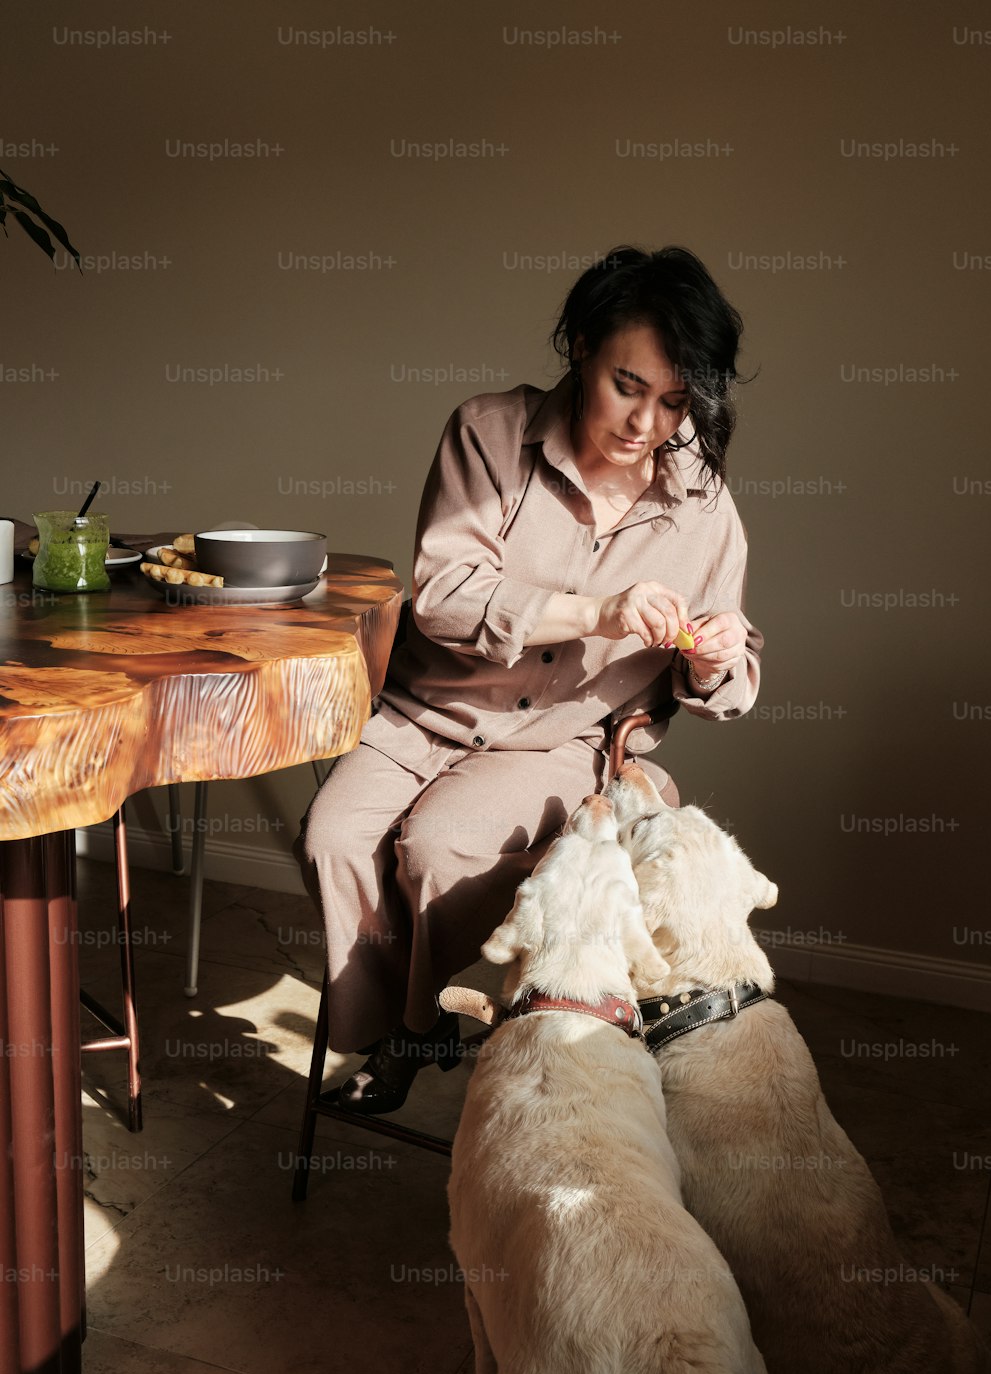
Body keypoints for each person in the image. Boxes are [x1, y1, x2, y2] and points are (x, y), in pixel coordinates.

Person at [295, 245, 762, 1113]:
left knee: (434, 851)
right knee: (330, 838)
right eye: (629, 385)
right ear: (581, 347)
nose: (645, 423)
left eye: (673, 402)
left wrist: (714, 658)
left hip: (560, 739)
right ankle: (407, 1028)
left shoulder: (702, 504)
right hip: (423, 711)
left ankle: (405, 1039)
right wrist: (601, 611)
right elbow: (441, 597)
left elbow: (732, 678)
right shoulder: (488, 433)